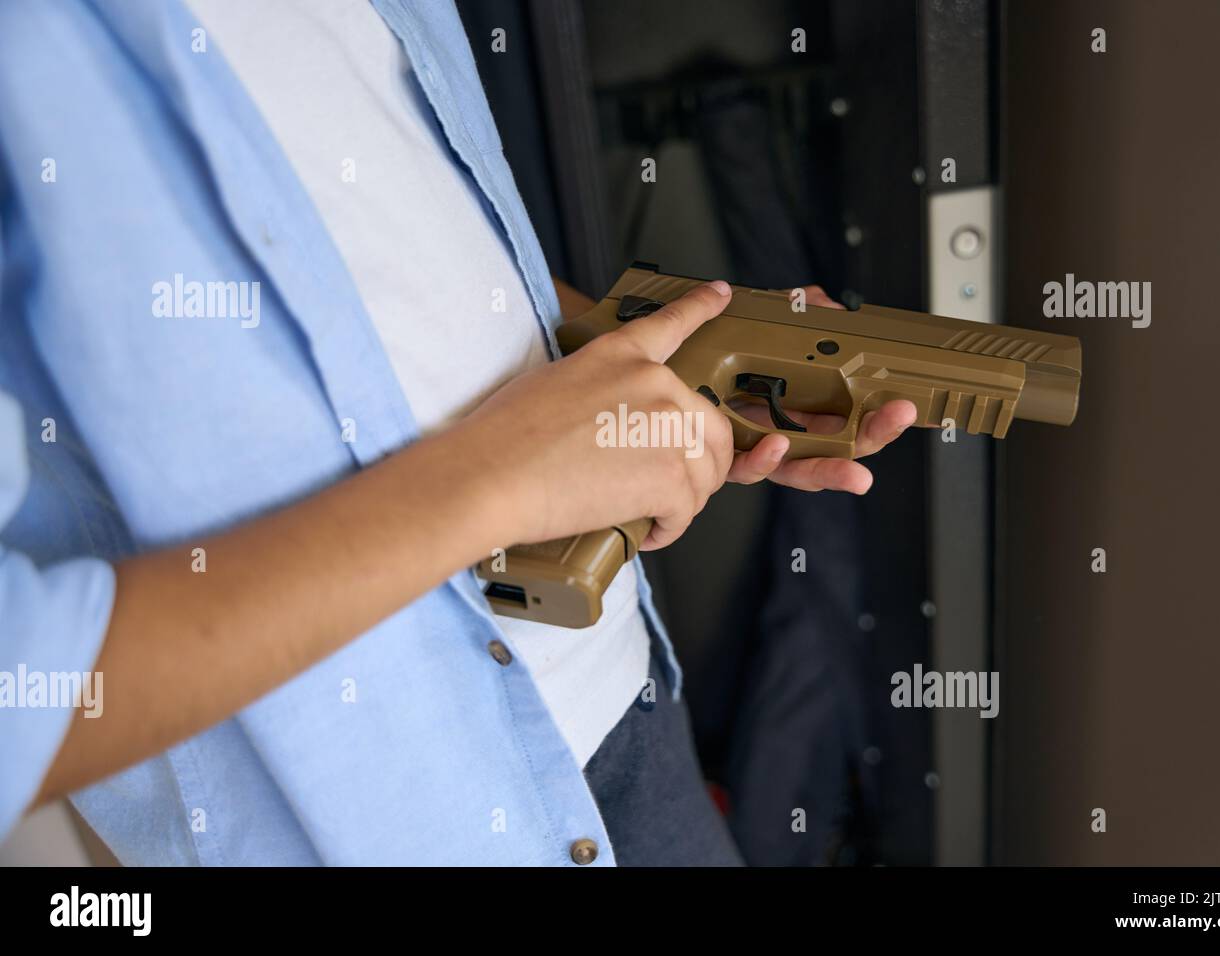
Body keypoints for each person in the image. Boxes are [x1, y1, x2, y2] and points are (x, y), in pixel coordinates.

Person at [0, 0, 916, 865]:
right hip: (393, 821)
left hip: (617, 695)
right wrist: (499, 481)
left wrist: (657, 359)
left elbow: (397, 248)